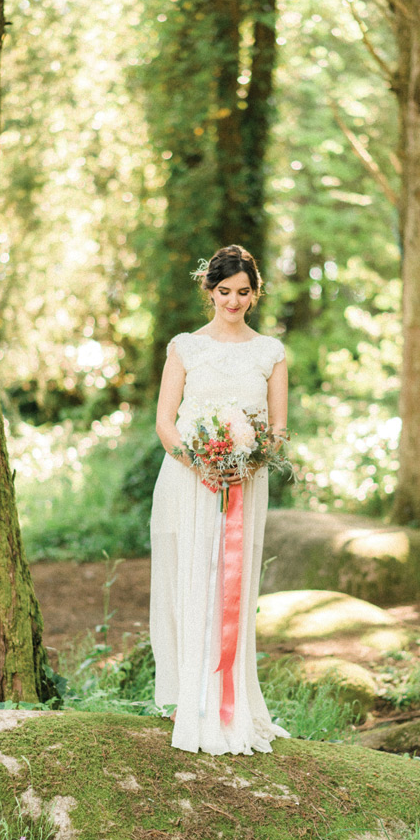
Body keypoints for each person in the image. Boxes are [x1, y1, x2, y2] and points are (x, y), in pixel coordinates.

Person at [150, 244, 289, 755]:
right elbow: (166, 422)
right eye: (224, 291)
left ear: (255, 294)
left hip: (244, 484)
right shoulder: (185, 347)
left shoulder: (269, 352)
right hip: (190, 478)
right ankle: (194, 701)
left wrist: (245, 464)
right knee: (192, 578)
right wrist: (203, 465)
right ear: (209, 289)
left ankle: (232, 701)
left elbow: (277, 430)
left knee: (231, 586)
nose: (233, 301)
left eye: (243, 292)